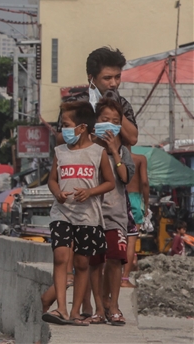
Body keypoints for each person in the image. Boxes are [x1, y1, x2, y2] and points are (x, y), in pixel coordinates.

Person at [42, 101, 115, 326]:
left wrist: (90, 191)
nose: (62, 130)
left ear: (81, 127)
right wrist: (57, 193)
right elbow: (52, 179)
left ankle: (76, 312)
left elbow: (110, 182)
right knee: (61, 256)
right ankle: (61, 308)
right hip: (62, 213)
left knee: (82, 263)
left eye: (65, 125)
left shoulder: (98, 153)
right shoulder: (59, 152)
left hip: (88, 216)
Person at [87, 98, 134, 326]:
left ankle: (114, 306)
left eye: (115, 121)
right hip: (92, 215)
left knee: (115, 259)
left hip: (115, 215)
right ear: (96, 121)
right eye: (105, 120)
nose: (110, 125)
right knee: (95, 263)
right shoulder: (88, 149)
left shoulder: (124, 151)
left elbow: (125, 177)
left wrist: (115, 153)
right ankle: (99, 307)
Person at [53, 47, 138, 148]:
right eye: (107, 78)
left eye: (117, 77)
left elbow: (132, 139)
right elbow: (59, 139)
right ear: (91, 78)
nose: (114, 83)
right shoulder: (75, 104)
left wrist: (115, 107)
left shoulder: (123, 104)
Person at [122, 153, 149, 287]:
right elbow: (144, 182)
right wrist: (146, 203)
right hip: (135, 198)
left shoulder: (114, 156)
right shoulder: (140, 159)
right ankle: (124, 279)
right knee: (131, 240)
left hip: (118, 197)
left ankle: (107, 275)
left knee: (116, 238)